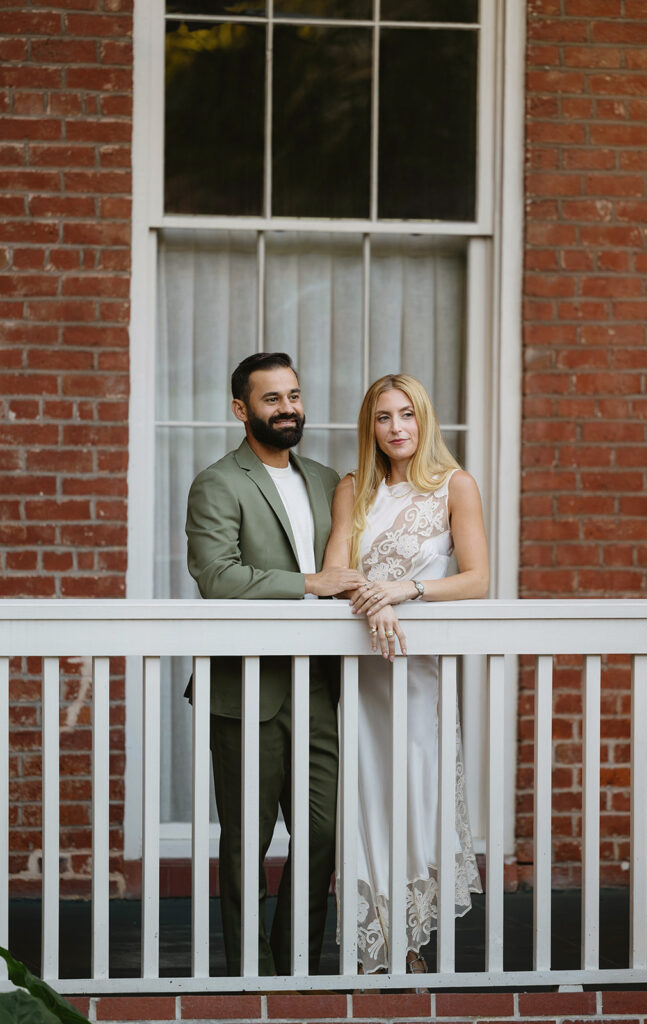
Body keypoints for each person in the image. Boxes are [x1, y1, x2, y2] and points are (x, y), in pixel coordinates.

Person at [185, 352, 365, 976]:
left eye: (293, 395)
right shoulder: (218, 481)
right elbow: (218, 576)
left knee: (320, 838)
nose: (288, 408)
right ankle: (248, 980)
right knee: (245, 847)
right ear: (242, 410)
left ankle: (296, 973)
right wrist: (310, 583)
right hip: (247, 689)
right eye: (272, 399)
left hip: (320, 687)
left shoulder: (327, 479)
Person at [323, 373, 489, 978]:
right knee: (368, 795)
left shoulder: (455, 486)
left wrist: (408, 588)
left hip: (420, 676)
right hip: (365, 673)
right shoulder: (352, 490)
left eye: (407, 415)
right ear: (370, 427)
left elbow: (477, 579)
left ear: (425, 420)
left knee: (419, 792)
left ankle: (414, 942)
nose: (397, 428)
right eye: (383, 417)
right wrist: (376, 598)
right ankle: (374, 951)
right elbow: (335, 569)